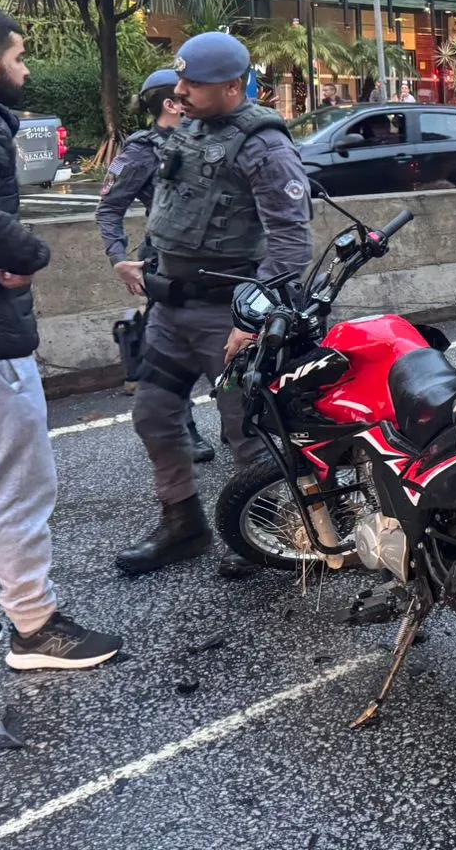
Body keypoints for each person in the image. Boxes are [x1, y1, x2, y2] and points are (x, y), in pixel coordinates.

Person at [115, 32, 314, 578]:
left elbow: (292, 244)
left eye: (192, 82)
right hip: (168, 311)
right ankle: (183, 524)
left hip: (224, 314)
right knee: (154, 415)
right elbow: (174, 210)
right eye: (179, 79)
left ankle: (269, 529)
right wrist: (141, 259)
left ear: (233, 85)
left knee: (245, 434)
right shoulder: (191, 130)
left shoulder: (263, 145)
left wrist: (256, 319)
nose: (179, 90)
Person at [0, 5, 122, 669]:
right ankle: (35, 628)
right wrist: (31, 253)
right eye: (17, 55)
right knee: (18, 481)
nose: (26, 67)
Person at [97, 68, 213, 463]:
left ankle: (242, 424)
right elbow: (109, 209)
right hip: (169, 267)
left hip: (220, 264)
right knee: (173, 354)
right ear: (170, 104)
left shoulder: (211, 138)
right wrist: (119, 260)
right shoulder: (143, 150)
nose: (191, 95)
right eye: (186, 91)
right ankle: (186, 430)